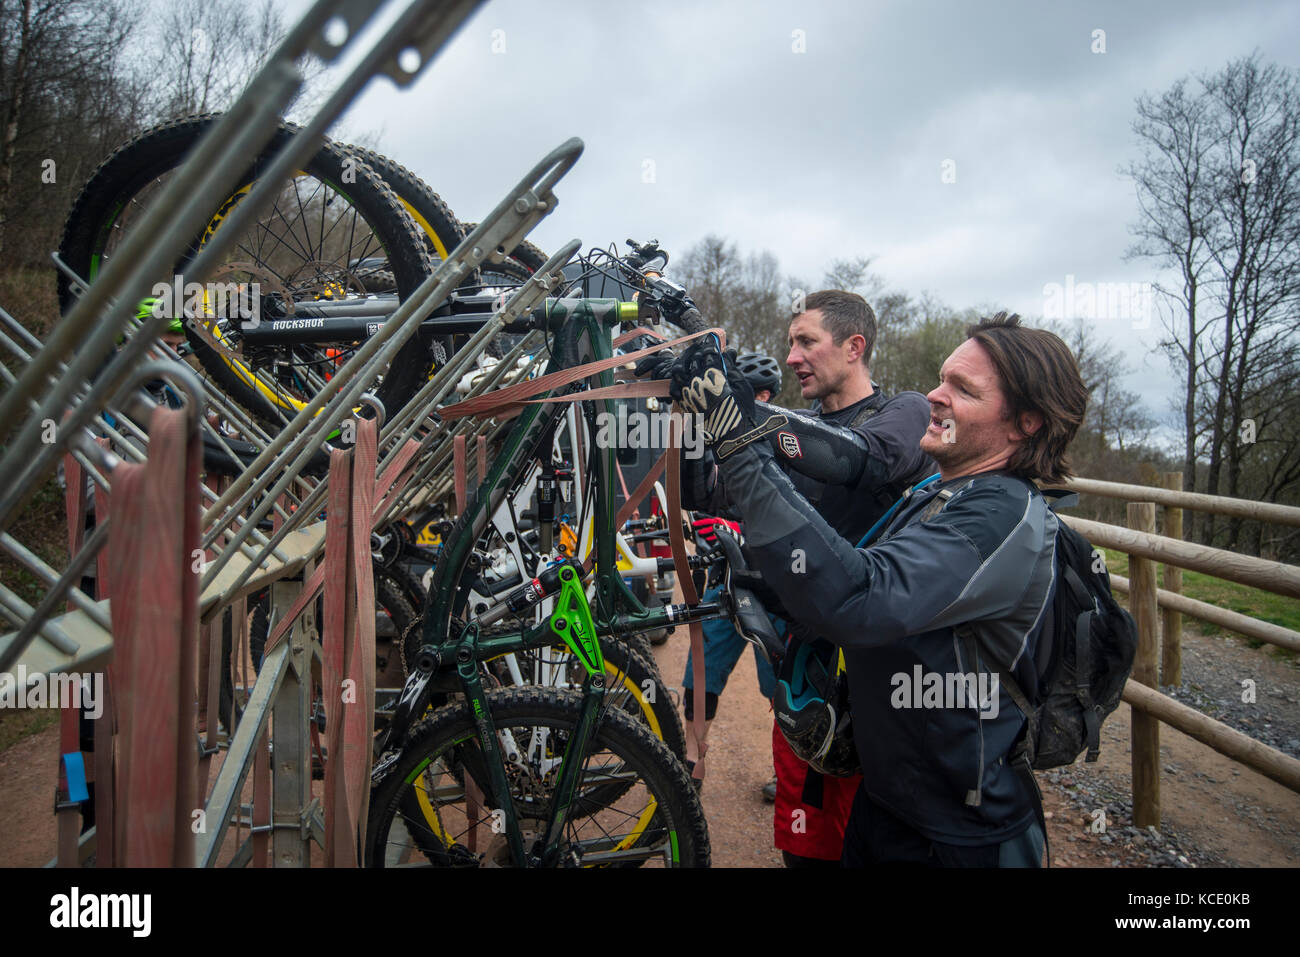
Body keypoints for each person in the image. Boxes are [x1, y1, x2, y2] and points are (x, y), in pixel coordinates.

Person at [666, 311, 1089, 866]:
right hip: (888, 801)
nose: (934, 396)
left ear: (1026, 422)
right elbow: (845, 567)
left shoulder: (1001, 513)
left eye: (963, 390)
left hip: (960, 834)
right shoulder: (939, 493)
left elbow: (859, 598)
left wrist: (742, 437)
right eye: (943, 378)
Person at [655, 290, 934, 866]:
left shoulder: (903, 412)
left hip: (877, 682)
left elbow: (862, 460)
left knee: (868, 845)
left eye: (806, 341)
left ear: (854, 346)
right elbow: (705, 489)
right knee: (804, 851)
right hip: (802, 674)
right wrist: (683, 411)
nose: (791, 357)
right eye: (790, 344)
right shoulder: (797, 425)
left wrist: (745, 411)